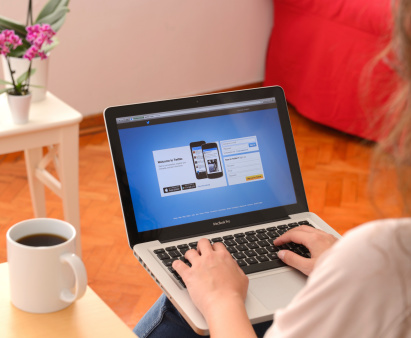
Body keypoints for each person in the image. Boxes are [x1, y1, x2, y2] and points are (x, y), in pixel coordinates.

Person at [133, 0, 411, 336]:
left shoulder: (390, 252)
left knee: (181, 302)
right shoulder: (381, 258)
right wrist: (346, 268)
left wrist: (222, 300)